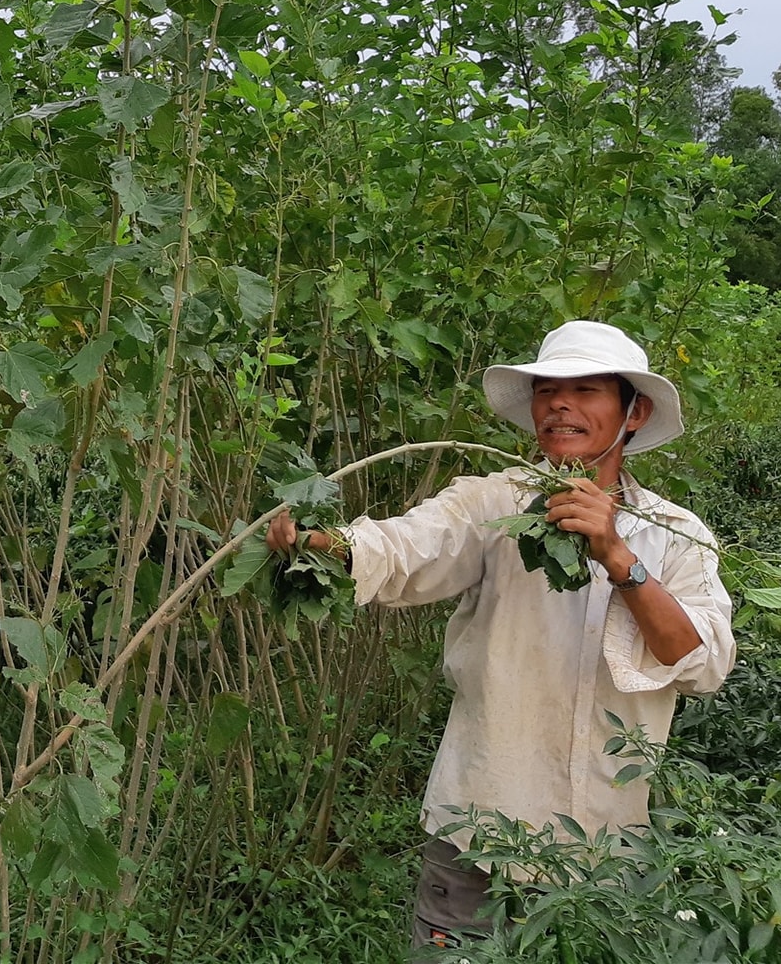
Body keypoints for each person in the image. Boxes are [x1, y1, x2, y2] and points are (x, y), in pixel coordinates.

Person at [267, 320, 735, 949]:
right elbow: (412, 544)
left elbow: (701, 660)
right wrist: (325, 542)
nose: (559, 404)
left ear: (634, 411)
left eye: (586, 390)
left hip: (608, 848)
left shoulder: (675, 534)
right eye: (547, 391)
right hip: (479, 831)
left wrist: (617, 554)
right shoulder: (493, 505)